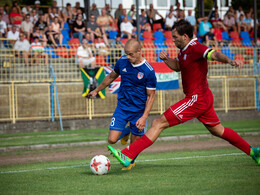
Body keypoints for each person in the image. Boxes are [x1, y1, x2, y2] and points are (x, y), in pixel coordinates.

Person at [108, 19, 260, 167]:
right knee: (219, 131)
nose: (172, 40)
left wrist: (230, 60)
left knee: (158, 122)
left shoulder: (195, 48)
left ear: (185, 37)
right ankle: (253, 152)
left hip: (196, 99)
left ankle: (128, 154)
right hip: (204, 98)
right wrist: (167, 59)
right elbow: (179, 67)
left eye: (175, 37)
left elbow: (214, 54)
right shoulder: (183, 52)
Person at [89, 39, 157, 170]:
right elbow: (110, 77)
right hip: (122, 107)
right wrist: (96, 90)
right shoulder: (122, 62)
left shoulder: (148, 71)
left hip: (138, 111)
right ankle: (126, 132)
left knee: (134, 145)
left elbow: (151, 96)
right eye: (126, 53)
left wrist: (144, 117)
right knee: (112, 140)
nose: (128, 57)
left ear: (139, 52)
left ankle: (130, 162)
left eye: (131, 54)